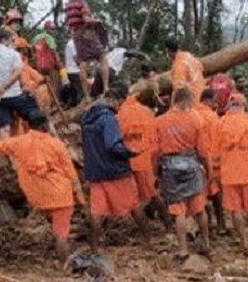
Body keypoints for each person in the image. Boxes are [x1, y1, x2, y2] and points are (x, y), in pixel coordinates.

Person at [0, 113, 84, 263]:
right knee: (61, 234)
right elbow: (72, 175)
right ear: (45, 126)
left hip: (39, 197)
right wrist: (80, 199)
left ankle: (61, 255)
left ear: (26, 125)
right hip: (61, 196)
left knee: (56, 228)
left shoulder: (20, 142)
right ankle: (65, 265)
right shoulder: (57, 144)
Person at [81, 86, 151, 251]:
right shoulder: (109, 119)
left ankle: (95, 248)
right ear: (117, 100)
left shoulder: (86, 118)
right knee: (134, 205)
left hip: (95, 172)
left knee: (97, 212)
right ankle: (147, 239)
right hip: (115, 172)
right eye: (120, 103)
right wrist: (130, 153)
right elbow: (112, 145)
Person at [155, 88, 211, 259]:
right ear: (186, 100)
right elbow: (202, 151)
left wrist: (154, 174)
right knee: (199, 208)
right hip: (191, 164)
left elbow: (155, 151)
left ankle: (183, 249)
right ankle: (206, 243)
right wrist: (209, 170)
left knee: (178, 211)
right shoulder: (195, 119)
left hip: (170, 167)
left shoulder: (160, 121)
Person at [213, 95, 248, 253]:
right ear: (243, 105)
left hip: (229, 174)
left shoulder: (220, 123)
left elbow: (215, 153)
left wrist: (216, 174)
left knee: (235, 210)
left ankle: (244, 242)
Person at [114, 86, 171, 230]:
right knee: (153, 194)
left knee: (133, 200)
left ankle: (145, 233)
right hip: (143, 160)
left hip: (125, 162)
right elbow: (154, 143)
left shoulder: (118, 114)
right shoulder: (146, 113)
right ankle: (168, 225)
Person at [65, 0, 109, 100]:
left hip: (76, 36)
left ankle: (87, 95)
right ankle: (106, 89)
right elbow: (86, 19)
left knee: (82, 64)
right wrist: (97, 22)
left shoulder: (68, 5)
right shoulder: (82, 3)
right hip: (87, 33)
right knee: (102, 57)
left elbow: (70, 24)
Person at [195, 89, 225, 235]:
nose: (216, 103)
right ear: (207, 100)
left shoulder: (192, 114)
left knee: (200, 194)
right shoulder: (212, 117)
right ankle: (220, 224)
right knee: (216, 193)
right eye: (214, 100)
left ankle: (207, 226)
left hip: (195, 160)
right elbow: (219, 139)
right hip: (211, 160)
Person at [167, 38, 206, 108]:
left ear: (168, 51)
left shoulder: (178, 66)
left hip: (193, 102)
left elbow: (178, 90)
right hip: (202, 96)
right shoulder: (188, 55)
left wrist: (172, 109)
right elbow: (201, 68)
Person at [32, 21, 63, 106]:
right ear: (47, 29)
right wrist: (60, 64)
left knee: (42, 85)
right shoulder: (49, 38)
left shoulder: (36, 38)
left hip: (39, 66)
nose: (53, 31)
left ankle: (44, 104)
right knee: (55, 84)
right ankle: (54, 104)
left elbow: (33, 51)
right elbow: (54, 52)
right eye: (52, 29)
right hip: (50, 65)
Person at [61, 39, 85, 108]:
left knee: (74, 92)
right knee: (79, 91)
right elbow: (76, 59)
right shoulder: (72, 44)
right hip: (74, 71)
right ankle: (79, 107)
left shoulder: (71, 43)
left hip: (70, 71)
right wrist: (83, 65)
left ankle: (74, 106)